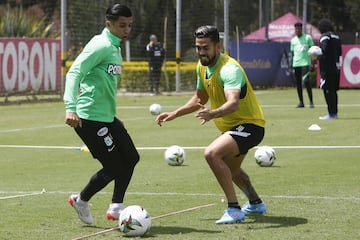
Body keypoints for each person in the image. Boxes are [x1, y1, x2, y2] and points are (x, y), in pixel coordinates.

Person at [156, 25, 266, 224]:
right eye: (198, 47)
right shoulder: (202, 67)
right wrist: (174, 113)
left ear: (218, 46)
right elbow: (199, 99)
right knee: (232, 170)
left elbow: (233, 103)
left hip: (250, 126)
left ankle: (234, 209)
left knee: (211, 154)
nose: (201, 52)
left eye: (205, 47)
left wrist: (213, 114)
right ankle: (256, 203)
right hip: (233, 128)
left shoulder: (229, 69)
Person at [63, 4, 139, 224]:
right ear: (109, 24)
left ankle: (116, 207)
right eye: (122, 25)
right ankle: (81, 200)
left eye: (130, 25)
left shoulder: (115, 47)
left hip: (106, 117)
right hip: (88, 118)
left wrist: (113, 116)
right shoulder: (101, 45)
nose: (127, 30)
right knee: (115, 166)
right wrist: (71, 107)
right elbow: (74, 72)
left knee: (132, 157)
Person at [318, 18, 342, 120]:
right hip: (336, 67)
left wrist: (316, 54)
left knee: (327, 90)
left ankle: (331, 113)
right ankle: (334, 113)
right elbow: (340, 52)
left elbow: (324, 50)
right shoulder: (337, 37)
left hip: (327, 69)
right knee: (333, 91)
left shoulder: (325, 37)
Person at [290, 22, 315, 108]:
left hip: (305, 63)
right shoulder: (293, 40)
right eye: (296, 29)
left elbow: (313, 51)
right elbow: (292, 53)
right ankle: (301, 102)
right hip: (296, 64)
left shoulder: (308, 38)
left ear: (301, 29)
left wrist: (312, 63)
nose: (297, 30)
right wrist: (291, 64)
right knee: (298, 84)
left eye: (299, 29)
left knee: (306, 82)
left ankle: (311, 102)